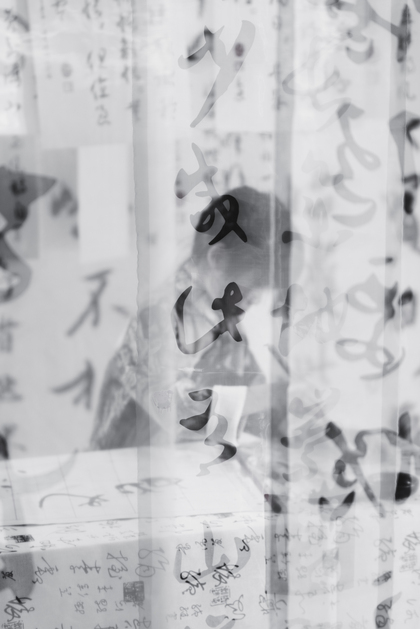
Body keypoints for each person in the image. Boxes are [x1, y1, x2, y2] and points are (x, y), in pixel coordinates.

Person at [89, 186, 292, 453]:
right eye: (253, 287)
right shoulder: (160, 316)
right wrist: (270, 394)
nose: (256, 300)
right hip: (129, 459)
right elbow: (173, 412)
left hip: (185, 457)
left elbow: (247, 381)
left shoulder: (220, 305)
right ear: (217, 259)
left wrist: (286, 408)